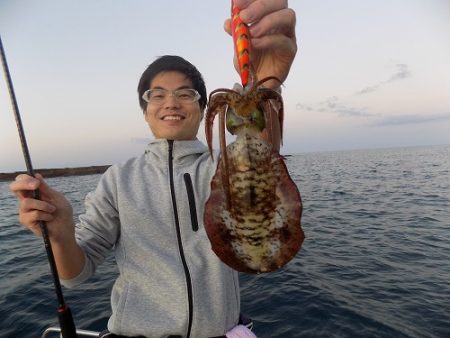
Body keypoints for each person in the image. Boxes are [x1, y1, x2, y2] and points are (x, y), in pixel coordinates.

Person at [10, 0, 297, 337]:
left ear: (205, 108)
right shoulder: (119, 180)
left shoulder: (223, 168)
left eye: (185, 94)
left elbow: (260, 154)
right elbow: (76, 272)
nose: (171, 102)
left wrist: (266, 85)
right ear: (144, 111)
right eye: (156, 95)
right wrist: (60, 233)